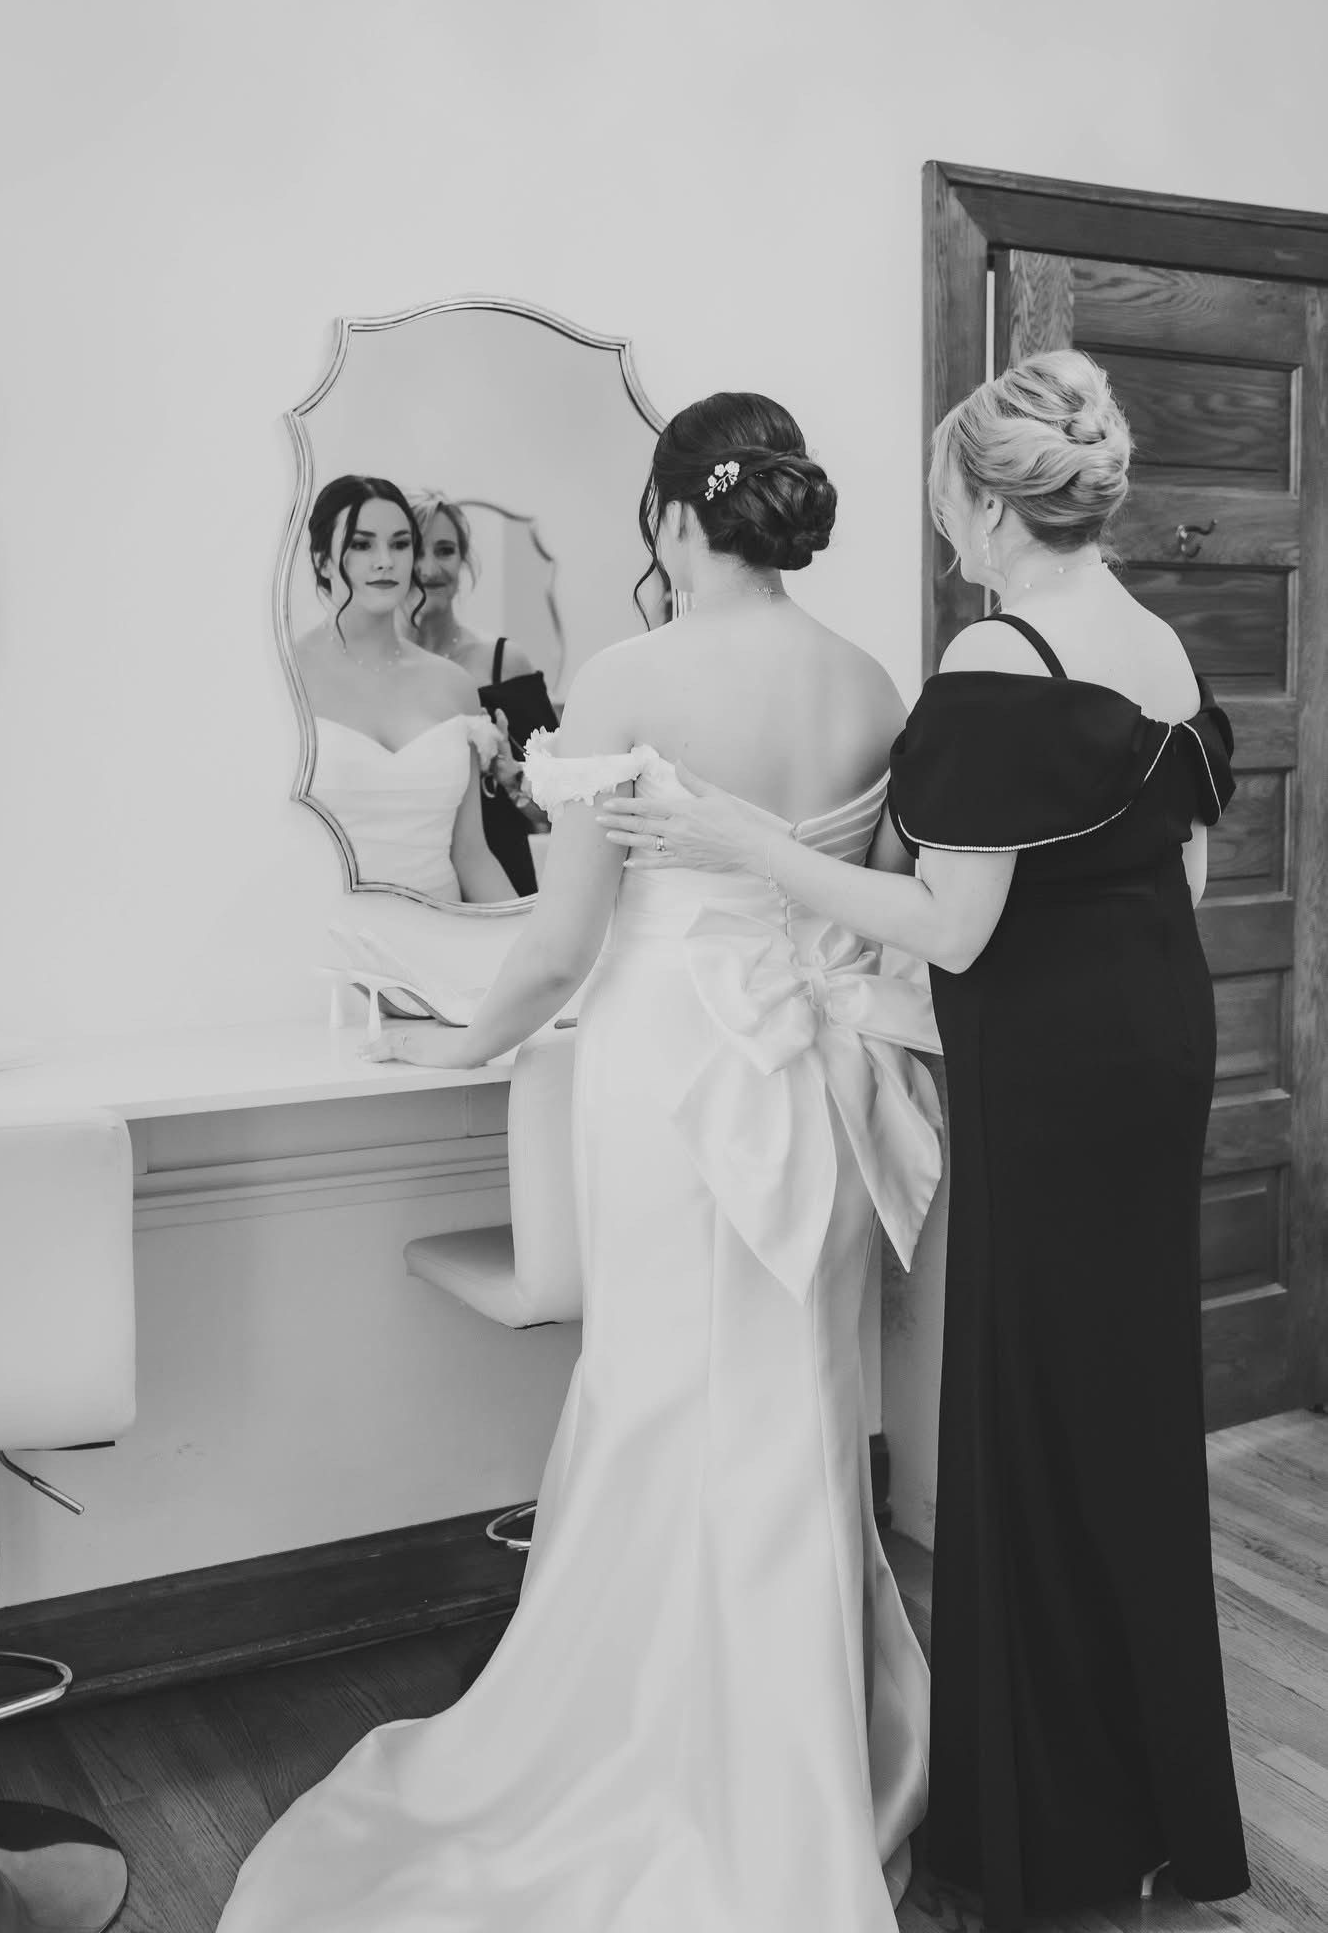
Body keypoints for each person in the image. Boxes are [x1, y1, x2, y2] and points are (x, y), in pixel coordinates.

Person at [218, 394, 945, 1933]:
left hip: (675, 1078)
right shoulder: (875, 680)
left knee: (666, 1398)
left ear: (675, 517)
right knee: (799, 1409)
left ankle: (664, 1772)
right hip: (817, 1079)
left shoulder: (631, 674)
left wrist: (455, 1046)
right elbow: (859, 906)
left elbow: (557, 948)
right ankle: (802, 1767)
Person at [599, 352, 1251, 1931]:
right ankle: (1164, 1810)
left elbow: (950, 930)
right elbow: (1188, 881)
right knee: (1129, 1414)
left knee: (1026, 1421)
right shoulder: (1157, 642)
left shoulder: (996, 645)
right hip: (1156, 1048)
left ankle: (1054, 1843)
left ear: (978, 495)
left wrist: (738, 840)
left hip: (1049, 1068)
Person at [294, 475, 513, 904]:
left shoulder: (454, 686)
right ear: (322, 561)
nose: (385, 561)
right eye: (361, 544)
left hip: (441, 939)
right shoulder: (287, 676)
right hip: (323, 940)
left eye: (399, 544)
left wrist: (525, 937)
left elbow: (471, 853)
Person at [400, 489, 559, 895]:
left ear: (464, 560)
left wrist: (514, 774)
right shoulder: (372, 673)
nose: (429, 567)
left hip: (501, 874)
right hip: (408, 877)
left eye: (445, 550)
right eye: (414, 550)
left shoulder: (506, 663)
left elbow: (559, 808)